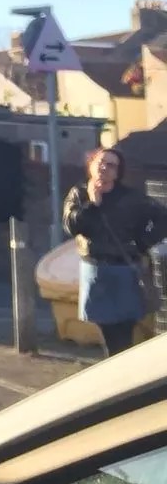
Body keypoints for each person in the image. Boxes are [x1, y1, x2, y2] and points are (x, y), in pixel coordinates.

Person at [63, 147, 167, 357]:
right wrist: (92, 204)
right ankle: (118, 366)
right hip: (96, 270)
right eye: (100, 162)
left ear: (118, 172)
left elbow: (162, 218)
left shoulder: (130, 197)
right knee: (108, 330)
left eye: (111, 165)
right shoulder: (79, 193)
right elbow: (71, 226)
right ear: (91, 166)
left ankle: (120, 368)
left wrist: (143, 242)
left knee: (124, 329)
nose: (104, 168)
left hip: (125, 269)